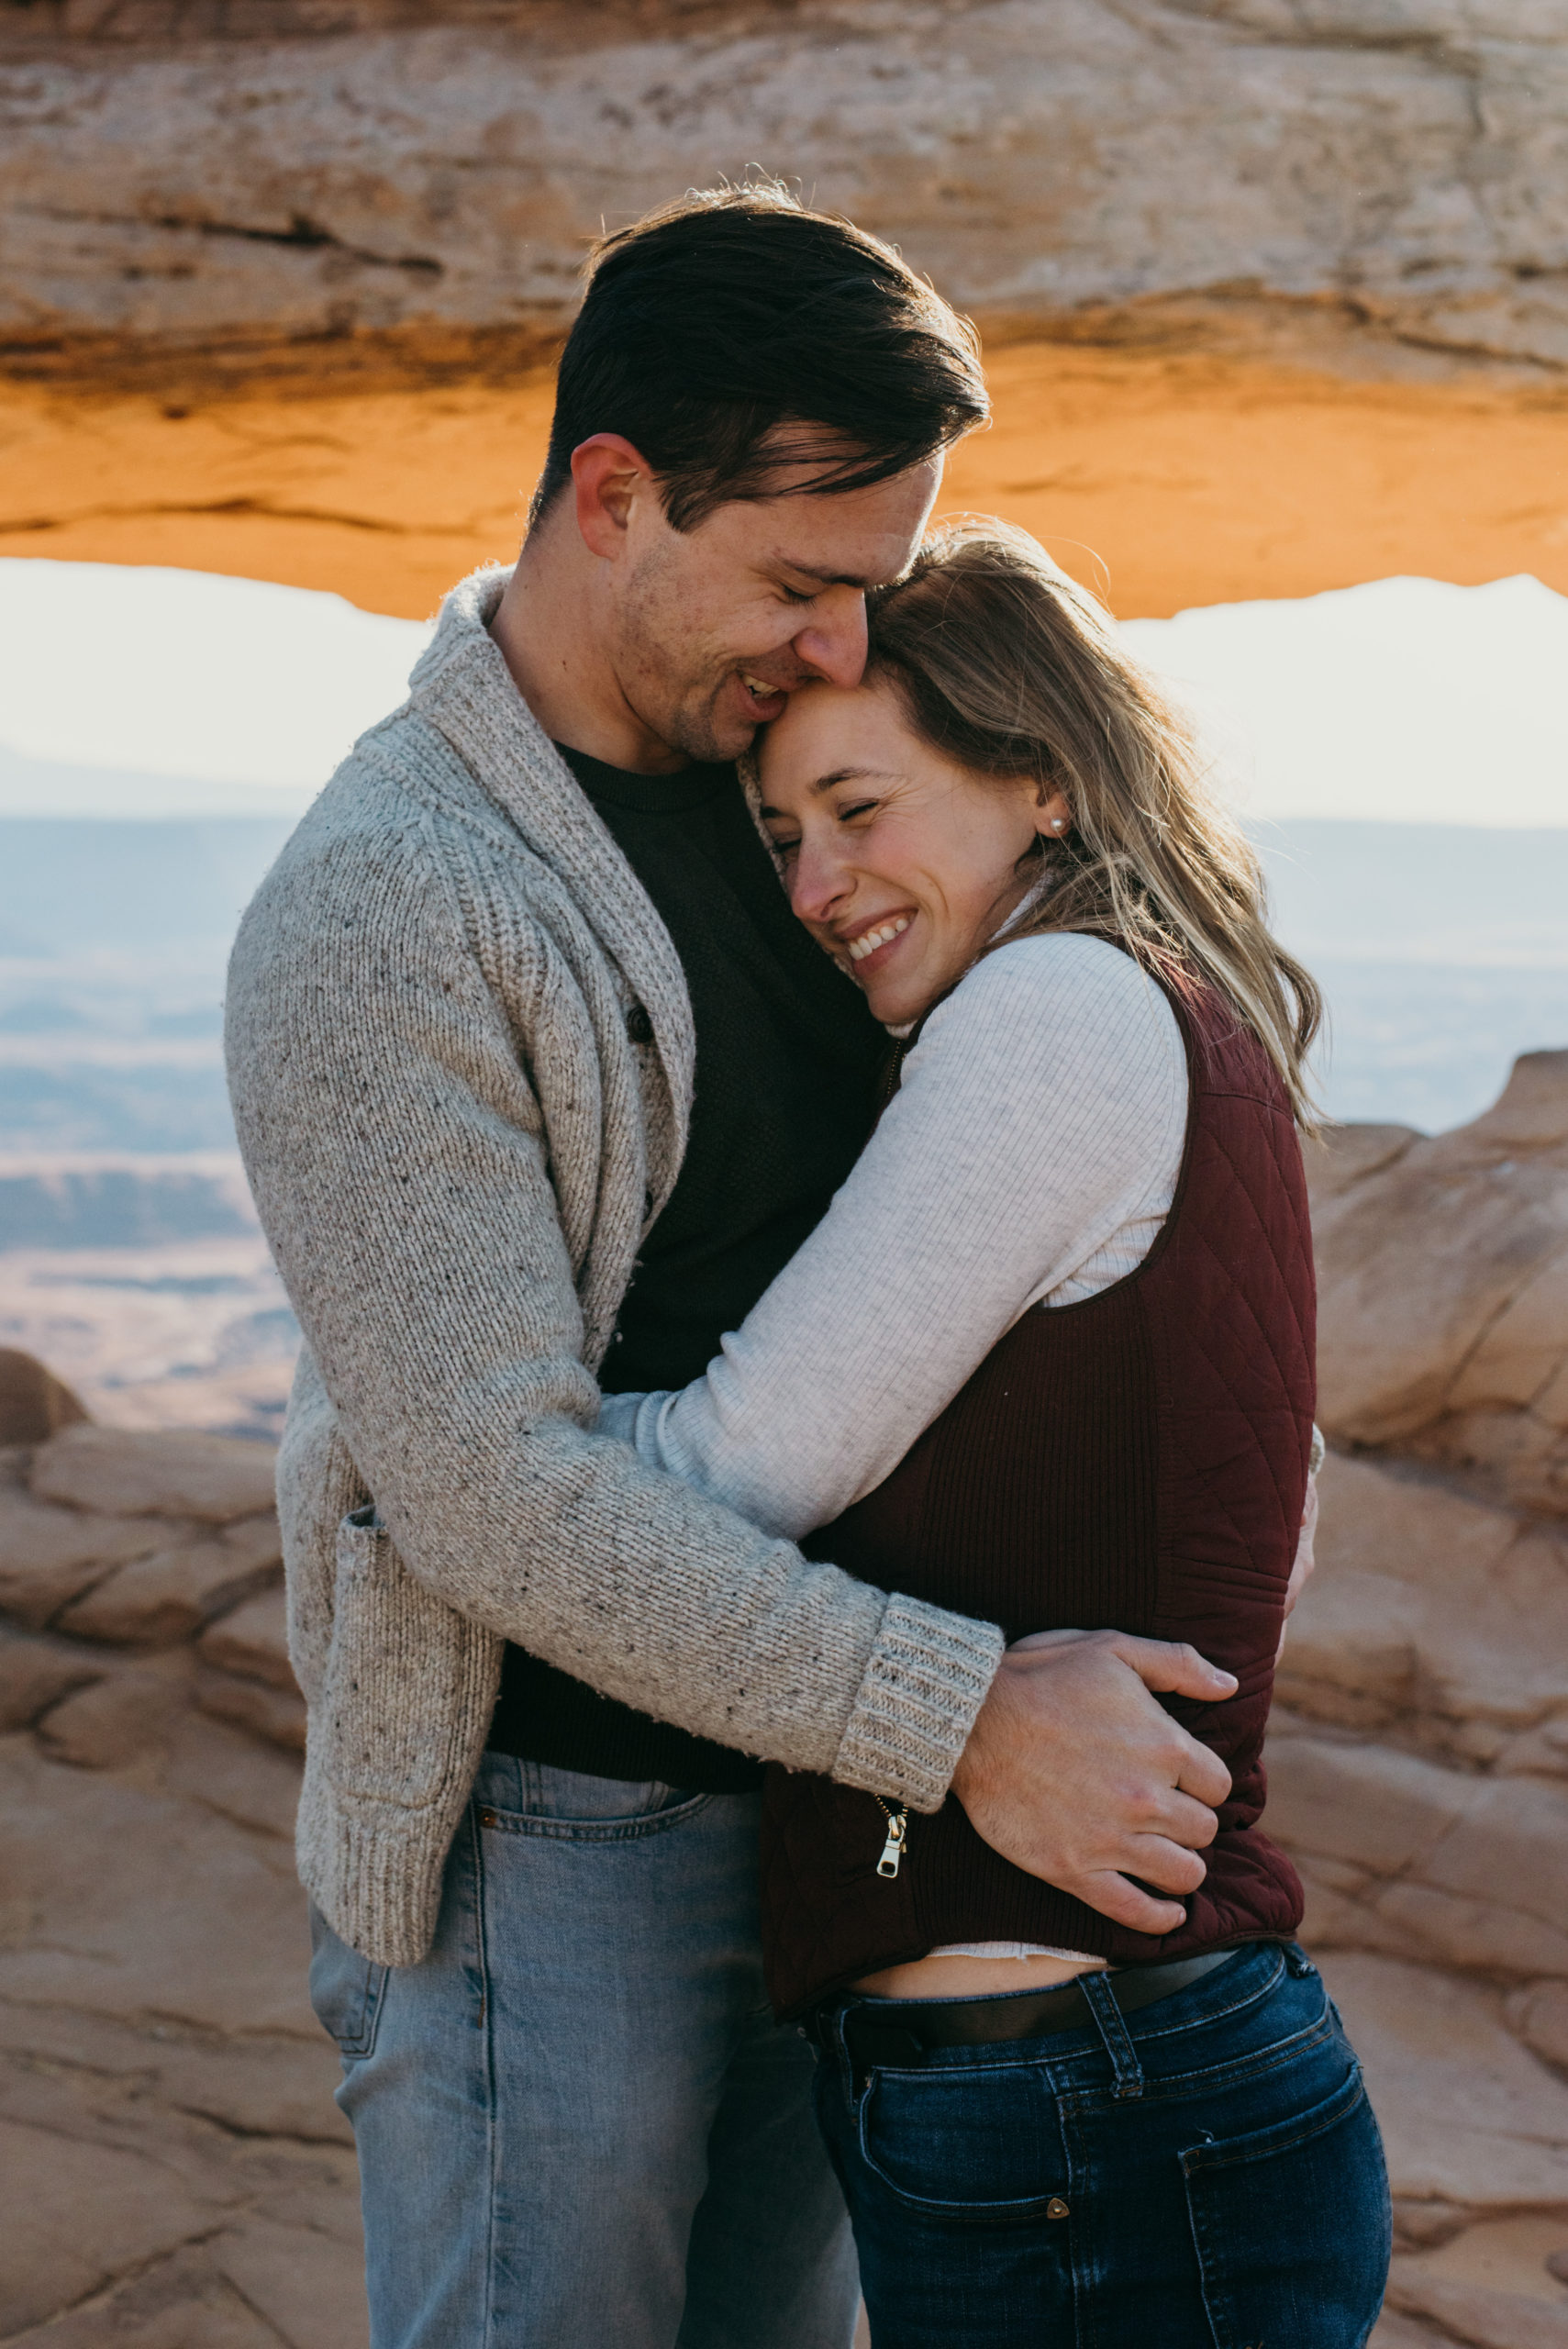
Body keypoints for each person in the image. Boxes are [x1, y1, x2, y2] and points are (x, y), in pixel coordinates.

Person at [226, 185, 1256, 2349]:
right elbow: (488, 1491)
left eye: (864, 593)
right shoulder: (387, 906)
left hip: (826, 1822)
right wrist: (959, 1711)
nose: (827, 647)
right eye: (798, 581)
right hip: (553, 1830)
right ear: (613, 494)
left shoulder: (816, 788)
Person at [603, 523, 1388, 2345]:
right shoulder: (1169, 1017)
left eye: (860, 805)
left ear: (1033, 774)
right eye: (787, 838)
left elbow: (735, 1465)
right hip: (1103, 2084)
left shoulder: (1051, 1012)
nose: (818, 880)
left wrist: (454, 1458)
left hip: (1086, 2100)